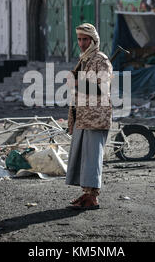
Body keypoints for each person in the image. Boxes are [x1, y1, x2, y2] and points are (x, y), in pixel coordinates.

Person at [66, 23, 113, 210]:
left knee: (92, 157)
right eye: (79, 39)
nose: (82, 43)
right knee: (84, 157)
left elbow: (102, 88)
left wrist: (77, 83)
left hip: (96, 118)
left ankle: (92, 198)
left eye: (85, 39)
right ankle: (86, 194)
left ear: (94, 40)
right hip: (84, 116)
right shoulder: (85, 60)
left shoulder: (100, 60)